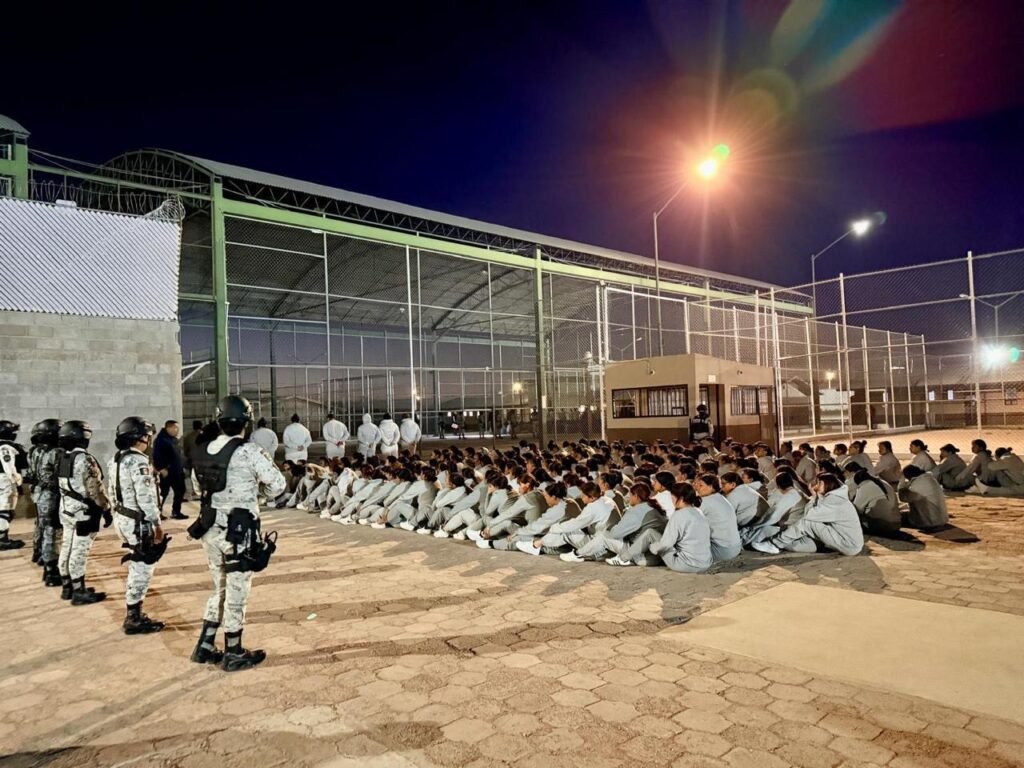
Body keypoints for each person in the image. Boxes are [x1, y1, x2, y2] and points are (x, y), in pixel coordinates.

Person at [190, 395, 286, 671]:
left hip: (210, 527)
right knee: (237, 591)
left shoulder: (202, 450)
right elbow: (277, 484)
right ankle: (233, 651)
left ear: (218, 420)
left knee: (219, 587)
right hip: (238, 531)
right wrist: (258, 495)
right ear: (247, 420)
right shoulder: (250, 451)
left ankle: (205, 645)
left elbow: (197, 488)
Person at [109, 417, 168, 635]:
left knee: (138, 561)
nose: (149, 440)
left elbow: (112, 491)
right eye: (147, 436)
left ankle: (134, 612)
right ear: (140, 437)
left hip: (123, 518)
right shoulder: (139, 461)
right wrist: (156, 523)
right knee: (142, 566)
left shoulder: (116, 459)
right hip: (138, 522)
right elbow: (146, 496)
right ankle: (133, 617)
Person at [56, 420, 112, 604]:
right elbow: (95, 489)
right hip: (83, 512)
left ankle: (67, 587)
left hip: (66, 509)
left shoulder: (62, 457)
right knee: (79, 551)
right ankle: (79, 591)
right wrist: (106, 508)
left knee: (67, 546)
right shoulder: (85, 459)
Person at [753, 473, 864, 557]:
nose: (816, 486)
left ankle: (774, 544)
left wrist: (814, 496)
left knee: (807, 523)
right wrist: (816, 496)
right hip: (843, 540)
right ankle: (773, 540)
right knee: (798, 544)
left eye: (819, 483)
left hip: (848, 545)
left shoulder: (835, 502)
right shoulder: (834, 498)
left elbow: (808, 514)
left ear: (826, 484)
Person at [639, 483, 713, 573]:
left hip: (686, 564)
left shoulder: (678, 515)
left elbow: (666, 544)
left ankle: (635, 559)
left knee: (652, 535)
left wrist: (652, 547)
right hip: (705, 564)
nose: (671, 500)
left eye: (673, 497)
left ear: (680, 498)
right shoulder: (699, 512)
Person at [28, 419, 64, 585]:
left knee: (41, 526)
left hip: (39, 492)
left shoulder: (35, 450)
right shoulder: (57, 452)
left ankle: (39, 554)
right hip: (52, 495)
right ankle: (51, 571)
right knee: (52, 531)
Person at [693, 474, 742, 563]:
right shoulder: (721, 498)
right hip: (735, 547)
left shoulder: (705, 501)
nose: (697, 488)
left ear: (711, 487)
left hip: (722, 551)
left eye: (701, 485)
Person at [0, 420, 28, 551]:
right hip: (4, 480)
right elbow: (9, 466)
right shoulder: (6, 447)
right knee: (4, 510)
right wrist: (16, 479)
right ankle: (2, 540)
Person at [154, 420, 188, 520]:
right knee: (163, 493)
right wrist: (161, 468)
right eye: (175, 428)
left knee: (180, 491)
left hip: (177, 471)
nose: (177, 430)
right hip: (167, 472)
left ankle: (176, 512)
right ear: (169, 428)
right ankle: (157, 512)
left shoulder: (174, 440)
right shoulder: (161, 440)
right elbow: (157, 456)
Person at [851, 469, 901, 536]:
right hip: (897, 523)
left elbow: (856, 509)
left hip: (884, 526)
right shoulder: (883, 482)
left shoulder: (864, 487)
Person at [182, 420, 203, 497]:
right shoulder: (205, 435)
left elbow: (185, 449)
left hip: (192, 458)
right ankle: (202, 490)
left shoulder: (188, 436)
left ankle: (195, 491)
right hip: (203, 459)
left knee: (192, 475)